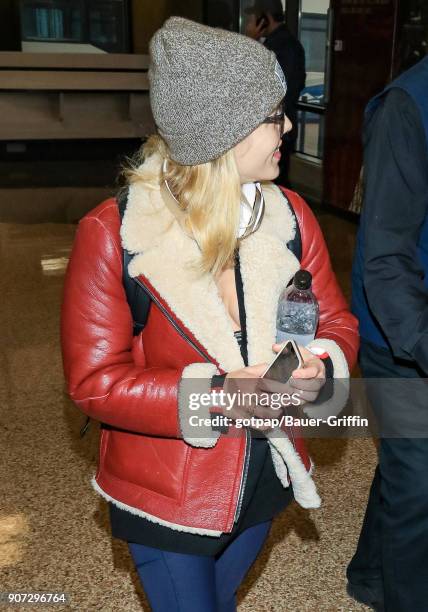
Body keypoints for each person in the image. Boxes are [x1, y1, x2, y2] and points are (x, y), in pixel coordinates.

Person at [61, 17, 358, 612]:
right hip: (167, 490)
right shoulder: (114, 233)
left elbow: (334, 323)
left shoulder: (291, 216)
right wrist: (219, 393)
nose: (288, 126)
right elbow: (95, 384)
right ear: (223, 131)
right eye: (273, 114)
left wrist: (321, 367)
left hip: (265, 474)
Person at [349, 56, 428, 612]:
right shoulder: (409, 107)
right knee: (422, 481)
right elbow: (385, 258)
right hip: (396, 331)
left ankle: (370, 574)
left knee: (407, 464)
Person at [245, 0, 306, 186]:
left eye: (253, 18)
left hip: (271, 126)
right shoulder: (294, 44)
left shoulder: (272, 49)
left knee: (269, 182)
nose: (249, 23)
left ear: (265, 18)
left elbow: (254, 88)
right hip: (284, 125)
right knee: (277, 179)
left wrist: (250, 42)